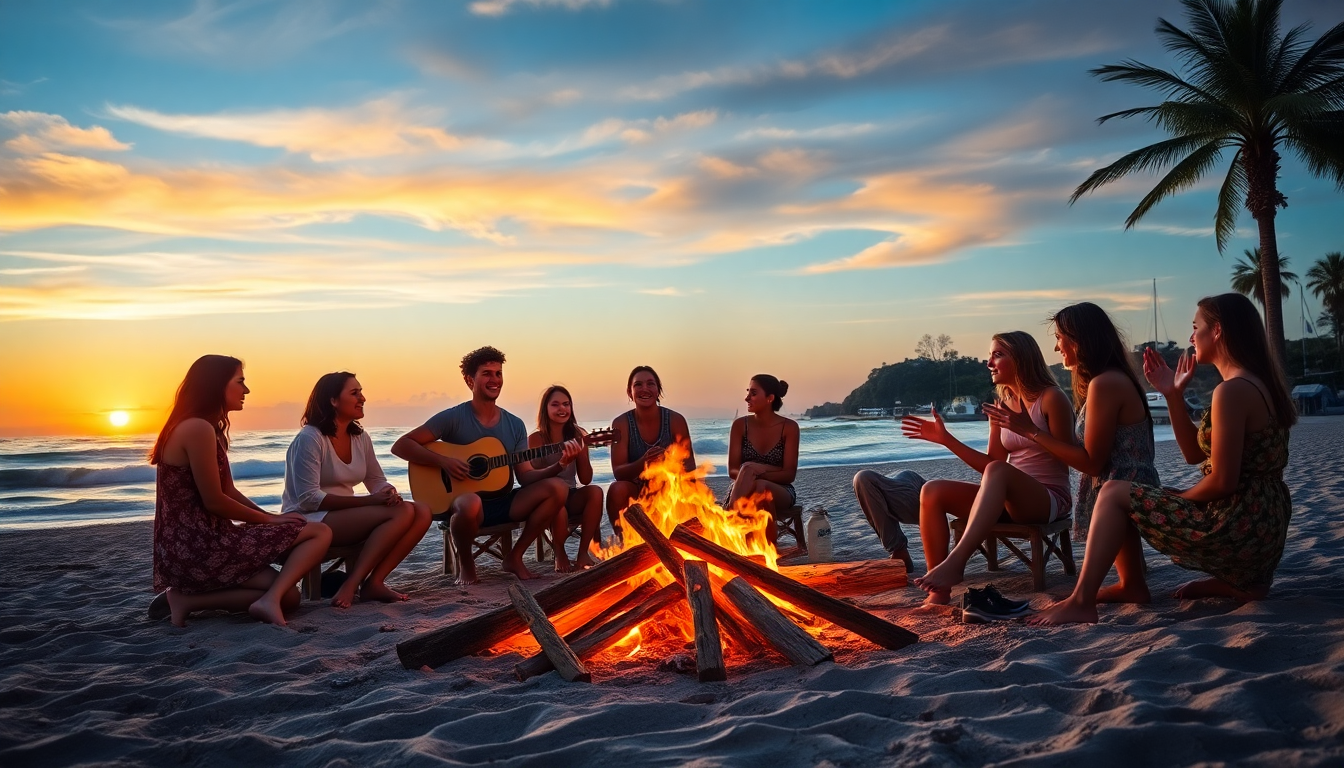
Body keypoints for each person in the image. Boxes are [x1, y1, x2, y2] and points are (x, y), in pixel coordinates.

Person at [1030, 293, 1296, 625]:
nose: (1191, 337)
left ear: (1218, 331)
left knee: (1115, 491)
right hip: (1263, 524)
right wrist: (1172, 394)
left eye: (1196, 326)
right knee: (1126, 489)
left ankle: (1082, 601)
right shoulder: (1254, 385)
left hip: (1238, 522)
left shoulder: (1233, 391)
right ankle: (1242, 582)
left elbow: (1223, 481)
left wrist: (1181, 495)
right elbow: (1194, 455)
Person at [984, 302, 1158, 604]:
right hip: (1119, 483)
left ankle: (1084, 599)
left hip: (1122, 487)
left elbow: (1092, 463)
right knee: (1132, 584)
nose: (1056, 348)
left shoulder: (1105, 384)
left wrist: (1031, 431)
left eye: (1060, 337)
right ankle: (1131, 583)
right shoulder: (1106, 380)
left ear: (1079, 339)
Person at [150, 355, 331, 627]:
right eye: (240, 382)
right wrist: (271, 520)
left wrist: (268, 515)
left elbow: (228, 491)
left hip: (205, 541)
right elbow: (215, 502)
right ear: (216, 385)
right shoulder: (196, 428)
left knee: (289, 598)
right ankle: (186, 598)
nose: (246, 390)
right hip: (198, 548)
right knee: (320, 531)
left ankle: (189, 601)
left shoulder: (206, 428)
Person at [905, 331, 1075, 604]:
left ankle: (956, 563)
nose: (989, 363)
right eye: (990, 355)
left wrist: (1029, 430)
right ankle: (939, 592)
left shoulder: (1052, 398)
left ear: (1021, 358)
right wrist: (946, 439)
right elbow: (990, 464)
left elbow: (1072, 456)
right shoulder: (1003, 405)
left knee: (998, 471)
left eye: (998, 354)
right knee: (931, 490)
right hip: (1007, 498)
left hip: (1049, 499)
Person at [391, 346, 580, 585]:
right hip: (465, 507)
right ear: (470, 380)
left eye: (498, 373)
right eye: (487, 373)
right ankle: (467, 567)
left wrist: (559, 465)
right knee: (470, 501)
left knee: (558, 488)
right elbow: (401, 445)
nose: (495, 380)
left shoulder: (514, 424)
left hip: (503, 501)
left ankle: (515, 556)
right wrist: (444, 461)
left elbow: (526, 476)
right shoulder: (453, 417)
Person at [281, 372, 432, 608]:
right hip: (308, 520)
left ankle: (375, 582)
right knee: (402, 513)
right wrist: (369, 501)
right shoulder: (310, 438)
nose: (362, 398)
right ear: (333, 400)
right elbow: (309, 499)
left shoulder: (359, 437)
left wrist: (387, 492)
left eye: (361, 392)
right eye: (354, 393)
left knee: (422, 511)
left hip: (345, 517)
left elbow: (375, 479)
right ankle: (353, 583)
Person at [606, 365, 695, 540]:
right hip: (636, 488)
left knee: (690, 488)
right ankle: (625, 543)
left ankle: (679, 539)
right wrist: (643, 462)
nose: (644, 389)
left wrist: (668, 462)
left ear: (658, 390)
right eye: (638, 385)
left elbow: (690, 467)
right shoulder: (621, 423)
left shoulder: (675, 420)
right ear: (629, 392)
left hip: (669, 487)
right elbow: (618, 472)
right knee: (616, 489)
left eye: (650, 384)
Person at [526, 385, 603, 572]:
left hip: (572, 493)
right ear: (546, 409)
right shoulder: (536, 439)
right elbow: (534, 477)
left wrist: (581, 454)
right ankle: (559, 553)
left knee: (596, 492)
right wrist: (560, 463)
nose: (562, 409)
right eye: (556, 404)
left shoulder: (578, 435)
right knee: (558, 505)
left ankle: (583, 552)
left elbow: (585, 479)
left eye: (566, 404)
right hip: (547, 499)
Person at [726, 374, 800, 544]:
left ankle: (732, 519)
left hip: (781, 491)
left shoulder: (789, 427)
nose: (747, 398)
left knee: (761, 486)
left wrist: (757, 472)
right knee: (759, 488)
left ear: (770, 398)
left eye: (753, 393)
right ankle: (768, 551)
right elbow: (732, 471)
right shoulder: (740, 426)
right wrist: (751, 471)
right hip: (743, 486)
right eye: (747, 392)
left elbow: (788, 475)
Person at [851, 468, 927, 573]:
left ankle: (899, 551)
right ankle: (899, 551)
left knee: (863, 478)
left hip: (912, 487)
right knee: (863, 479)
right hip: (908, 485)